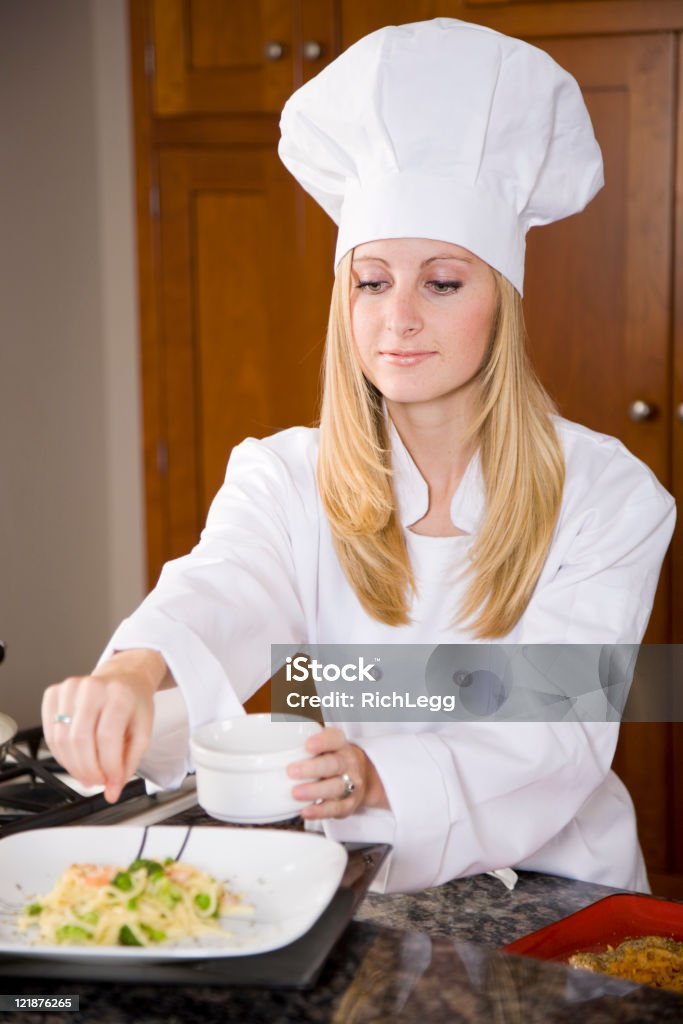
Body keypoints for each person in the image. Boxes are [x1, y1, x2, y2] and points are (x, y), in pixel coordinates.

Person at [42, 18, 675, 893]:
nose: (397, 317)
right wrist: (131, 669)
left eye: (442, 282)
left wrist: (379, 778)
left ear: (503, 299)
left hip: (558, 890)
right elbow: (221, 584)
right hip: (361, 877)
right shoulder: (283, 475)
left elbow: (555, 739)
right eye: (372, 281)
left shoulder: (609, 495)